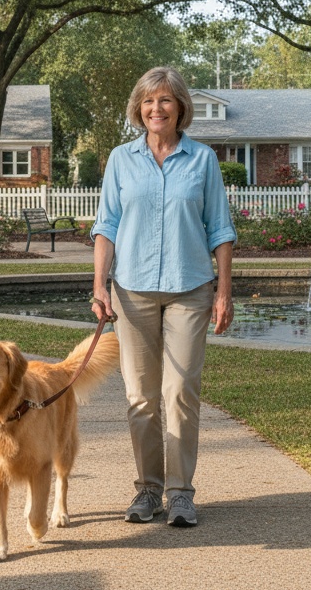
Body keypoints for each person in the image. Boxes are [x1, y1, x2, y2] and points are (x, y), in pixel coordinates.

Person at [91, 66, 236, 528]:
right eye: (149, 101)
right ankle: (148, 490)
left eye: (166, 100)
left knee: (179, 393)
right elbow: (106, 226)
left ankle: (179, 494)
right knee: (140, 398)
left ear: (180, 108)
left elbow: (221, 229)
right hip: (131, 292)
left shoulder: (202, 160)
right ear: (139, 109)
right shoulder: (121, 159)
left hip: (191, 289)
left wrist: (224, 293)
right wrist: (99, 284)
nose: (157, 108)